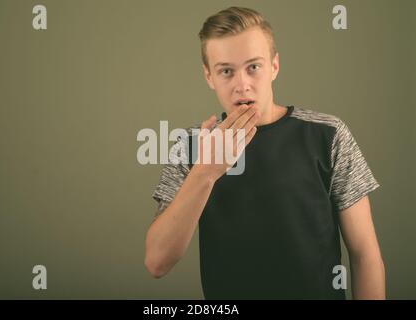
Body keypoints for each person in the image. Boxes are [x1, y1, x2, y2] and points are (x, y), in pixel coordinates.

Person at [144, 6, 385, 299]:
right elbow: (157, 262)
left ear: (274, 66)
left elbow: (365, 255)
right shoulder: (193, 145)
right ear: (209, 76)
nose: (242, 84)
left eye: (253, 67)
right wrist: (205, 171)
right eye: (226, 71)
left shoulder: (328, 134)